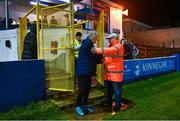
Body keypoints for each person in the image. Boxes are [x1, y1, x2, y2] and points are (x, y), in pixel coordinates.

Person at [91, 33, 128, 115]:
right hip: (108, 74)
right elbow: (107, 55)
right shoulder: (111, 46)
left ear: (114, 38)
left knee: (117, 90)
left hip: (115, 74)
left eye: (109, 38)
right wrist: (103, 61)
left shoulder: (119, 46)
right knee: (109, 90)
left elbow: (110, 51)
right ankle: (109, 101)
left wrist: (97, 50)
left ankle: (117, 105)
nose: (108, 40)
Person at [75, 31, 103, 116]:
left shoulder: (88, 43)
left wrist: (100, 59)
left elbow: (94, 57)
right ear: (93, 37)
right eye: (96, 38)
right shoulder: (88, 44)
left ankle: (84, 105)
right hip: (82, 71)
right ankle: (78, 106)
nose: (97, 39)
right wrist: (102, 58)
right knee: (82, 90)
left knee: (87, 89)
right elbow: (95, 55)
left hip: (86, 71)